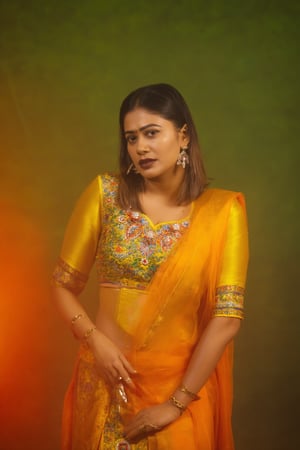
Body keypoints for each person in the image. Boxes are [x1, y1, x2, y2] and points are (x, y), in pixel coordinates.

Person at [52, 83, 249, 450]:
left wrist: (175, 405)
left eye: (151, 133)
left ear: (184, 135)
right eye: (131, 138)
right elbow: (62, 286)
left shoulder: (221, 214)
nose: (140, 147)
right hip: (104, 384)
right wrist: (96, 341)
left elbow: (226, 320)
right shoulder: (105, 195)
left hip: (177, 393)